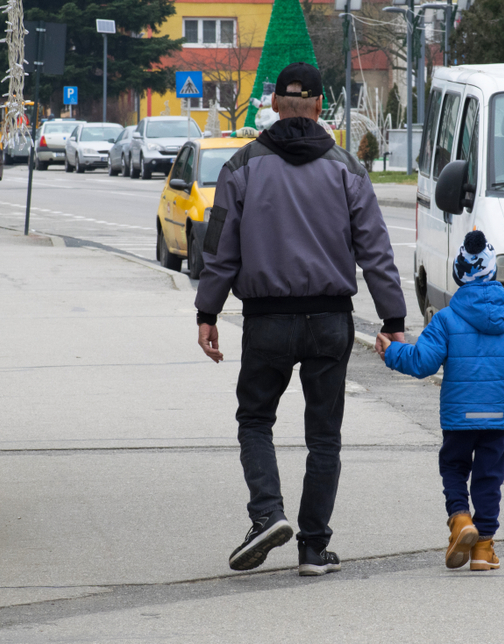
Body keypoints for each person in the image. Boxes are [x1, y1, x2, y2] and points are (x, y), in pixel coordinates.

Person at [195, 62, 406, 576]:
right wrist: (393, 317)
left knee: (255, 420)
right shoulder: (347, 170)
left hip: (267, 321)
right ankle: (313, 548)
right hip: (330, 322)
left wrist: (207, 312)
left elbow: (219, 250)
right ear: (318, 107)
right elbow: (375, 251)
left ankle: (267, 512)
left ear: (272, 105)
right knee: (324, 437)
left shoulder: (240, 167)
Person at [376, 230, 504, 571]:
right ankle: (483, 549)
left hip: (459, 416)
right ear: (493, 272)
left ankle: (460, 519)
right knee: (489, 478)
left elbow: (422, 361)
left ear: (458, 274)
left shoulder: (447, 319)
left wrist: (391, 351)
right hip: (497, 417)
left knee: (454, 467)